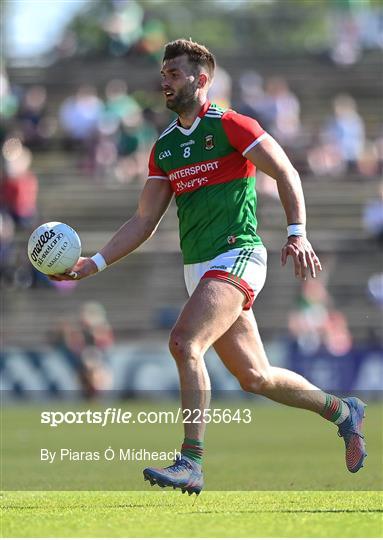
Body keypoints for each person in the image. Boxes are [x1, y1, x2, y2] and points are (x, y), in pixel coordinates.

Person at [51, 39, 367, 495]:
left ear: (202, 80)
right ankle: (342, 411)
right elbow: (144, 220)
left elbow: (285, 172)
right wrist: (93, 263)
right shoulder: (163, 147)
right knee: (256, 377)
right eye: (163, 73)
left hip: (238, 253)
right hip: (199, 268)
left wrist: (297, 231)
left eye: (174, 73)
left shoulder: (232, 125)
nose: (165, 80)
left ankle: (191, 461)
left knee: (184, 342)